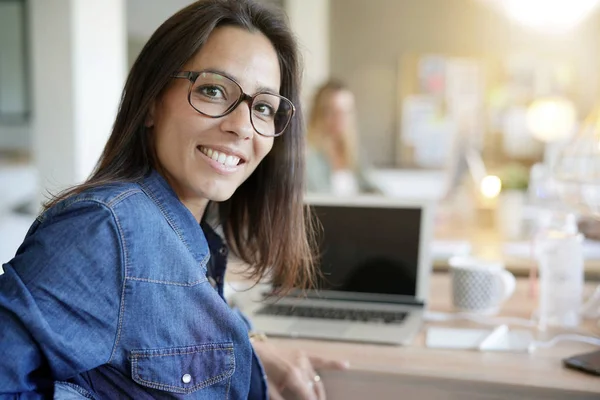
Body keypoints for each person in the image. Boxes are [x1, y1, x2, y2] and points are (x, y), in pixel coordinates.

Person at [0, 1, 347, 399]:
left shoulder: (189, 234)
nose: (241, 127)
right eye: (214, 90)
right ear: (152, 102)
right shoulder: (106, 230)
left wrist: (253, 349)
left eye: (263, 107)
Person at [305, 80, 380, 195]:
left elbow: (372, 188)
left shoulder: (354, 152)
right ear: (319, 113)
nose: (340, 118)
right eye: (332, 112)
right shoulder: (307, 154)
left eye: (346, 112)